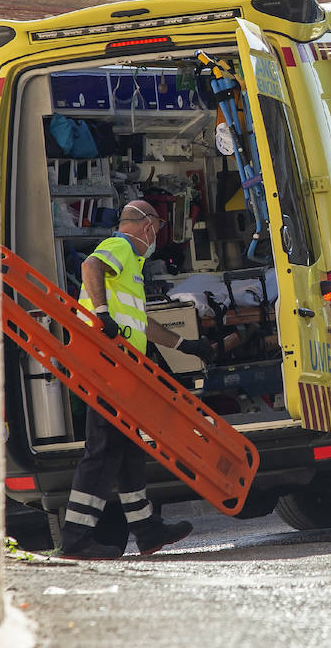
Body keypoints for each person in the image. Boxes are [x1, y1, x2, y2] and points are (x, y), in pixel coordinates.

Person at [59, 201, 215, 559]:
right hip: (106, 363)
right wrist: (101, 314)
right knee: (102, 449)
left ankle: (146, 529)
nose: (156, 235)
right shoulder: (121, 246)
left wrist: (186, 345)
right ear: (146, 227)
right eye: (158, 227)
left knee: (127, 446)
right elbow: (90, 266)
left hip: (121, 365)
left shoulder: (133, 267)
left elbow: (143, 322)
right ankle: (76, 538)